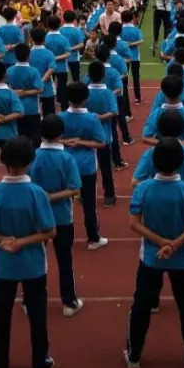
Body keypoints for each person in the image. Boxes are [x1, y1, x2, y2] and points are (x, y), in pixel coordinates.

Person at [0, 136, 56, 368]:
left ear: (3, 162)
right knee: (37, 315)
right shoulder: (36, 192)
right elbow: (49, 231)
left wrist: (0, 239)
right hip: (33, 266)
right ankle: (39, 364)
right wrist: (21, 241)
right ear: (31, 162)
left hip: (2, 266)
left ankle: (0, 363)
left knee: (0, 314)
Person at [124, 137, 184, 368]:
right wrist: (174, 245)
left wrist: (160, 243)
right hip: (181, 260)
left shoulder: (144, 188)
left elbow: (133, 223)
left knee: (142, 306)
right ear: (180, 162)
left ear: (154, 162)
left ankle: (134, 355)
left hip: (150, 257)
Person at [29, 115, 83, 316]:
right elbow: (74, 188)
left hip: (38, 216)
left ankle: (29, 300)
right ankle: (68, 302)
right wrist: (53, 196)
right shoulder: (67, 158)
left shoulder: (34, 156)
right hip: (61, 217)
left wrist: (44, 197)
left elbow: (29, 184)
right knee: (64, 260)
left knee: (35, 259)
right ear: (62, 134)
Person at [59, 81, 109, 250]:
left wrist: (68, 141)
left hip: (65, 163)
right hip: (86, 166)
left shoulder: (61, 117)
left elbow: (55, 139)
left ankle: (63, 238)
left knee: (63, 202)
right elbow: (101, 143)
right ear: (86, 99)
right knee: (89, 204)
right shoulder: (92, 118)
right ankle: (93, 238)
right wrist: (82, 142)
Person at [86, 60, 120, 207]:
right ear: (103, 75)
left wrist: (92, 116)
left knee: (87, 168)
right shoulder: (108, 93)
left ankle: (86, 194)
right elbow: (114, 112)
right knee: (106, 168)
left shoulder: (85, 91)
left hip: (86, 136)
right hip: (104, 136)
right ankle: (109, 195)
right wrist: (99, 117)